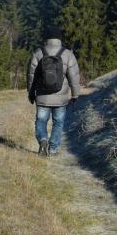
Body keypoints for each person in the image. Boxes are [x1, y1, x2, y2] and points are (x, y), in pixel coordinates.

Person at [26, 26, 81, 157]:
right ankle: (53, 149)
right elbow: (74, 76)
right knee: (58, 123)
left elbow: (31, 76)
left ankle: (43, 140)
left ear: (46, 38)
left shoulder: (38, 53)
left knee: (41, 121)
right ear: (59, 38)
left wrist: (31, 93)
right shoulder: (67, 54)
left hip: (42, 96)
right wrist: (75, 94)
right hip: (61, 98)